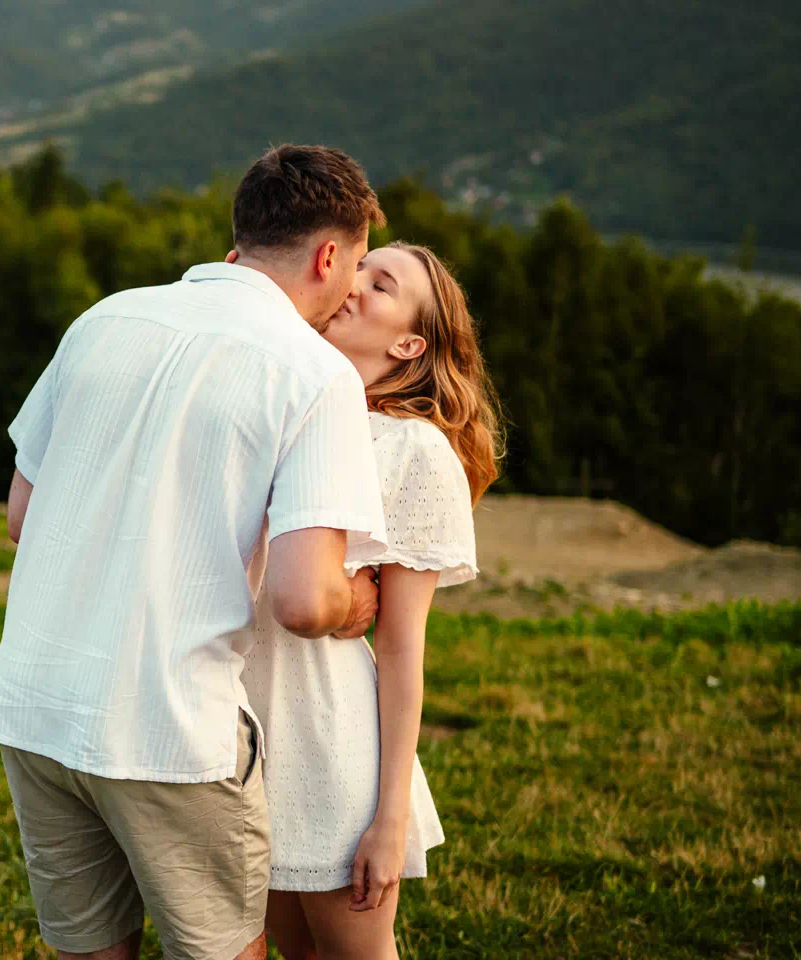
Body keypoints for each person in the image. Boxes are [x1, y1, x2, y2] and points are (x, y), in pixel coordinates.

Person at [0, 144, 391, 960]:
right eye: (357, 263)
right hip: (169, 729)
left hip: (36, 705)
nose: (351, 288)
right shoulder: (313, 373)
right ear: (328, 257)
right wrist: (357, 601)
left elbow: (23, 515)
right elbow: (305, 601)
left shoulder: (105, 319)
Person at [241, 242, 503, 960]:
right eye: (359, 266)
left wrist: (390, 818)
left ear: (409, 344)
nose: (353, 283)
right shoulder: (283, 406)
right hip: (244, 734)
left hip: (332, 747)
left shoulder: (414, 451)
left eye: (381, 284)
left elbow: (401, 648)